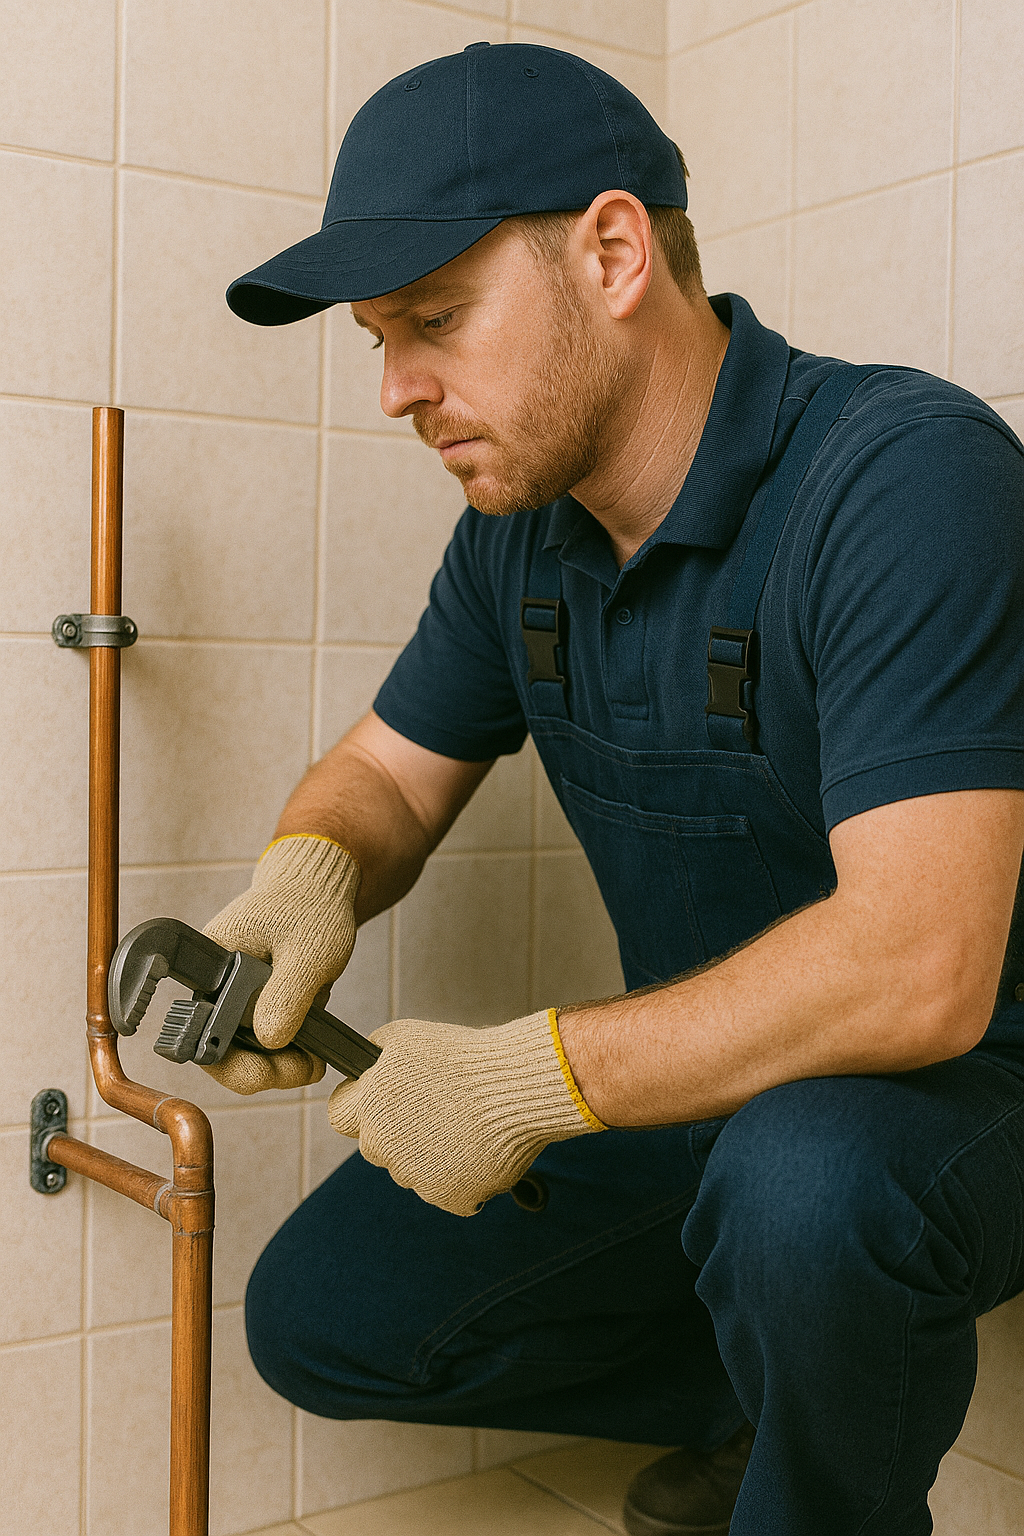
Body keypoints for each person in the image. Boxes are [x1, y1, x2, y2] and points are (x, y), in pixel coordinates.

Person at [207, 41, 1024, 1536]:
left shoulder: (905, 477)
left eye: (434, 321)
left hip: (963, 1100)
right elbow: (388, 772)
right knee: (326, 1311)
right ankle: (762, 1403)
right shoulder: (525, 530)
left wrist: (532, 1081)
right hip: (709, 1091)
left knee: (807, 1180)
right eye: (379, 340)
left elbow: (924, 968)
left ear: (612, 250)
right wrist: (309, 873)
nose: (397, 391)